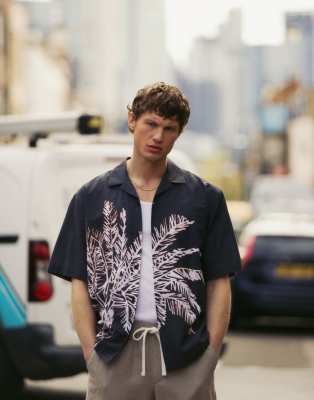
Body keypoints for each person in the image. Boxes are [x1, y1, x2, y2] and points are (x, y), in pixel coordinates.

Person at [48, 82, 242, 400]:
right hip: (114, 355)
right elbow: (78, 282)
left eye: (169, 128)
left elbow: (219, 281)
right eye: (151, 123)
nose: (158, 136)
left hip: (186, 356)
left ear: (178, 134)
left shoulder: (205, 199)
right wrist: (91, 355)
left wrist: (210, 354)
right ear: (132, 120)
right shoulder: (91, 197)